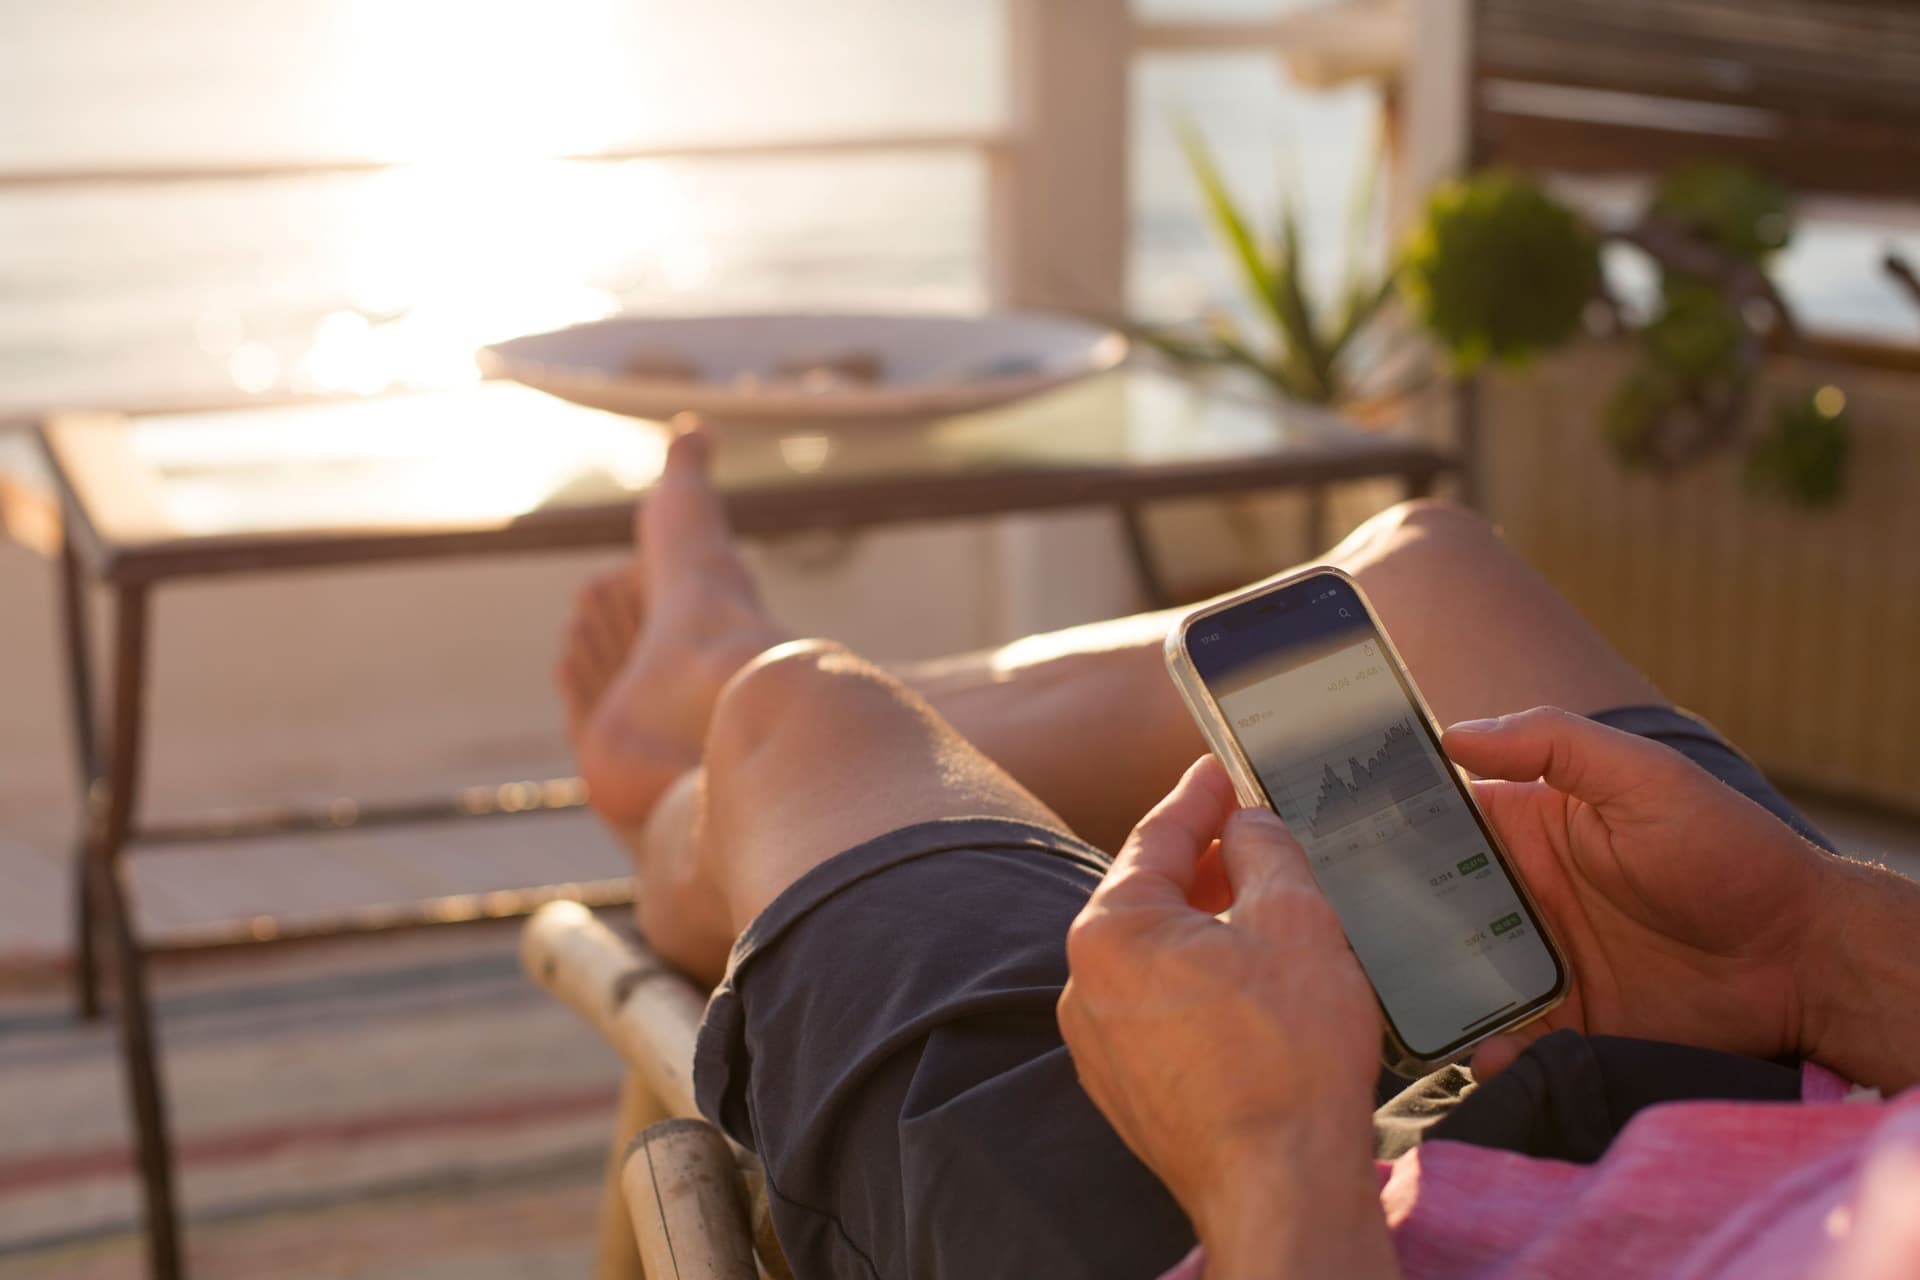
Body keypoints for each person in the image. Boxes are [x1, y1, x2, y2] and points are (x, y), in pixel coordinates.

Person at [557, 430, 1920, 1279]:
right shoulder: (1813, 966)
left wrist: (1269, 1164)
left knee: (796, 720)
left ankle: (704, 752)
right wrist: (1824, 954)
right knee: (1423, 572)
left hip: (1280, 1236)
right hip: (1803, 1103)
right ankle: (737, 699)